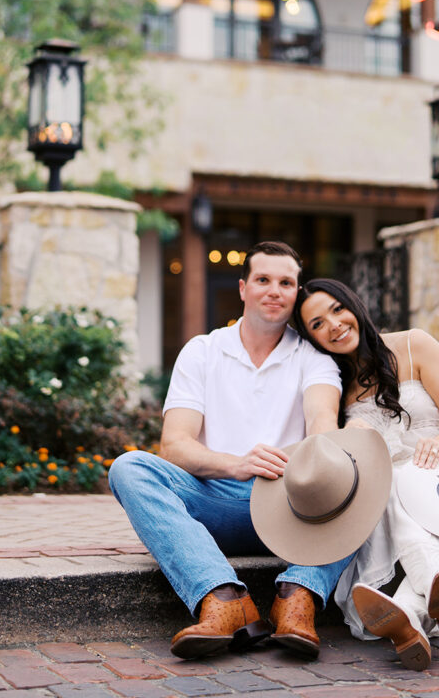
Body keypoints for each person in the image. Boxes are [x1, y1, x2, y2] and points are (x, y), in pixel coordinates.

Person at [108, 241, 356, 660]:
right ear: (243, 288)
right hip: (216, 500)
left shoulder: (314, 358)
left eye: (286, 283)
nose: (274, 290)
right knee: (129, 467)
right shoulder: (202, 351)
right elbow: (175, 444)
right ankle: (223, 599)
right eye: (263, 280)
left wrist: (312, 459)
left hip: (292, 509)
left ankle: (298, 598)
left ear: (296, 293)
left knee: (364, 477)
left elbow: (322, 424)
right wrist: (236, 464)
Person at [293, 277, 439, 671]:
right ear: (312, 338)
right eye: (317, 324)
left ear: (353, 305)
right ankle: (431, 599)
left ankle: (416, 605)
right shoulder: (334, 385)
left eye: (337, 310)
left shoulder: (413, 344)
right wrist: (350, 435)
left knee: (406, 483)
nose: (333, 325)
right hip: (392, 494)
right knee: (398, 484)